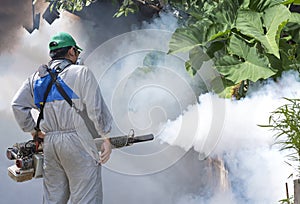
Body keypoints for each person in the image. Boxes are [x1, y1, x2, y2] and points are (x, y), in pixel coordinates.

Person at [11, 32, 113, 204]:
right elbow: (96, 108)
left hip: (51, 144)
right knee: (86, 196)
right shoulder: (82, 73)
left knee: (53, 199)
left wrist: (34, 132)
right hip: (78, 140)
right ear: (72, 51)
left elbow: (17, 105)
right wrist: (106, 137)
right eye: (77, 52)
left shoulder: (35, 78)